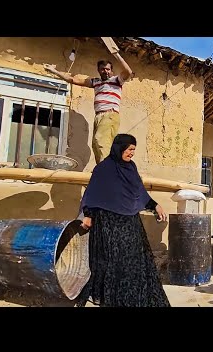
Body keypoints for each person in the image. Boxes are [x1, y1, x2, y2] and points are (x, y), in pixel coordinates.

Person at [76, 133, 170, 307]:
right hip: (108, 224)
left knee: (133, 261)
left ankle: (132, 297)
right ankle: (111, 298)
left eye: (134, 149)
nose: (131, 153)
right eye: (129, 149)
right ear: (119, 148)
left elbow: (139, 193)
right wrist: (87, 215)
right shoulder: (103, 169)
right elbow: (92, 195)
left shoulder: (131, 168)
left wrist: (155, 205)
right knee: (113, 262)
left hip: (129, 223)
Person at [44, 51, 133, 164]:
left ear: (111, 70)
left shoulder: (116, 80)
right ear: (98, 70)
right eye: (102, 69)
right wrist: (54, 71)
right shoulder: (95, 82)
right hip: (98, 116)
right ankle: (101, 167)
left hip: (109, 114)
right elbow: (73, 80)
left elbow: (128, 72)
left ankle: (106, 169)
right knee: (96, 144)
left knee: (101, 140)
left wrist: (117, 55)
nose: (105, 71)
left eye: (108, 69)